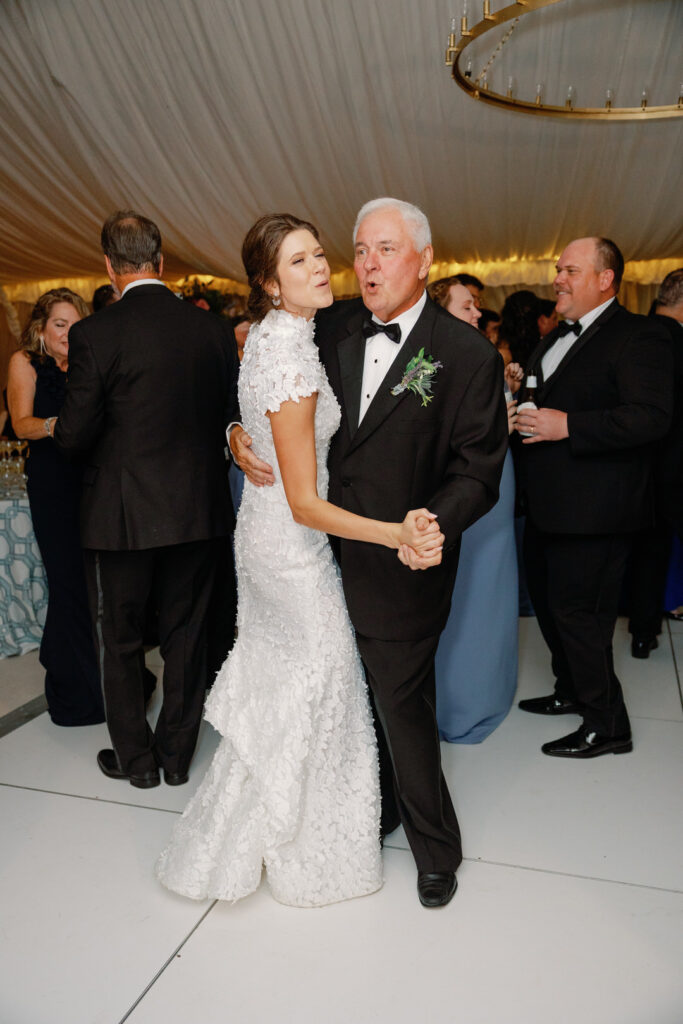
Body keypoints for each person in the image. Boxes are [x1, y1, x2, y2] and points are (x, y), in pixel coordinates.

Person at [156, 213, 441, 907]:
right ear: (268, 282)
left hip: (266, 535)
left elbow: (255, 420)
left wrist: (234, 433)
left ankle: (268, 829)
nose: (320, 267)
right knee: (324, 684)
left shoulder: (272, 337)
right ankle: (307, 847)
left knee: (292, 690)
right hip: (290, 545)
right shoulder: (287, 353)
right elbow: (306, 502)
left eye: (318, 254)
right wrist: (395, 533)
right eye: (298, 262)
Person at [232, 199, 508, 907]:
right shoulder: (330, 322)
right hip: (314, 555)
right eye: (360, 249)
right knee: (335, 697)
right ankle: (367, 812)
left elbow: (477, 469)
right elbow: (273, 396)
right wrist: (235, 432)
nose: (367, 263)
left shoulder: (467, 354)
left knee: (400, 704)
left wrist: (430, 526)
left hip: (398, 558)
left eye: (385, 249)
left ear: (424, 258)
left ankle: (433, 849)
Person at [54, 211, 239, 789]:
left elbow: (73, 436)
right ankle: (177, 757)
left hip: (121, 516)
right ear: (161, 262)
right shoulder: (211, 329)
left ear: (109, 267)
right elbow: (226, 418)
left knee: (121, 638)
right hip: (197, 507)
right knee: (188, 635)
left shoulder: (95, 334)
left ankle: (136, 762)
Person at [515, 237, 673, 758]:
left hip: (597, 510)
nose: (557, 278)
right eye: (558, 268)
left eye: (570, 270)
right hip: (547, 506)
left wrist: (569, 427)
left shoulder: (640, 335)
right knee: (553, 609)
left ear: (606, 279)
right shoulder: (555, 335)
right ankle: (572, 690)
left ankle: (608, 726)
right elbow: (549, 392)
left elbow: (650, 417)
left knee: (581, 618)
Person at [7, 288, 105, 726]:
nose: (68, 333)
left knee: (93, 585)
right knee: (67, 584)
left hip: (92, 483)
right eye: (59, 325)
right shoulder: (24, 363)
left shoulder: (88, 364)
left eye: (74, 324)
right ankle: (75, 690)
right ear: (42, 330)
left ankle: (101, 681)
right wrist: (59, 425)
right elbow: (22, 424)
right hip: (52, 484)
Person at [430, 279, 520, 742]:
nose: (477, 315)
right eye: (467, 307)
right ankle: (456, 700)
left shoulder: (487, 357)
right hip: (462, 489)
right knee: (462, 591)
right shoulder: (433, 358)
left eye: (478, 308)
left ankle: (487, 690)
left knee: (491, 586)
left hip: (499, 491)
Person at [625, 267, 683, 653]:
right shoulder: (676, 341)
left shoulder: (630, 332)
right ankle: (645, 629)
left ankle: (641, 630)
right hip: (672, 461)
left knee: (641, 547)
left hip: (628, 461)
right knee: (656, 546)